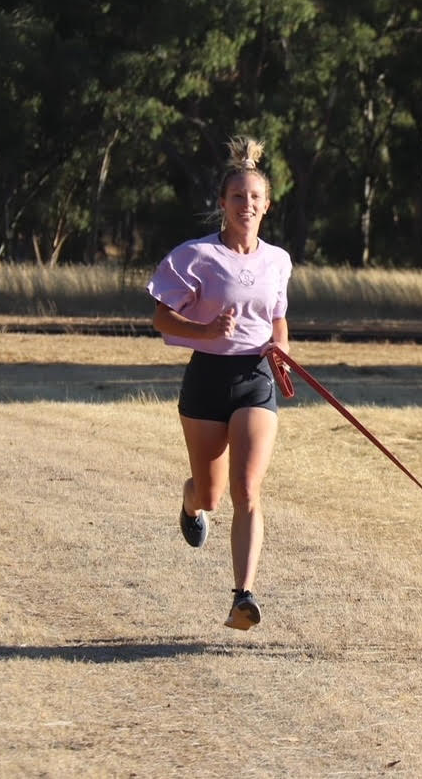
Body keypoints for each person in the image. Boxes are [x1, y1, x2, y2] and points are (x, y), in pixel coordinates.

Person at [146, 136, 292, 631]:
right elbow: (161, 318)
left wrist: (283, 351)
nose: (246, 206)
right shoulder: (196, 256)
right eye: (237, 198)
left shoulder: (278, 261)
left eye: (255, 198)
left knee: (247, 489)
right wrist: (204, 330)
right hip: (207, 376)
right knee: (211, 495)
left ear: (266, 204)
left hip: (256, 377)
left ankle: (243, 596)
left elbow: (278, 317)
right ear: (222, 204)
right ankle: (190, 507)